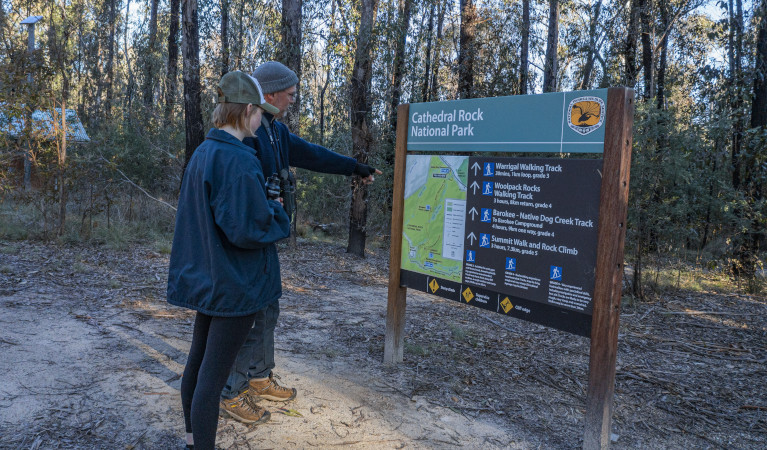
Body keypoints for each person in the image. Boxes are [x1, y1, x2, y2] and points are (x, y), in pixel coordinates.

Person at [218, 61, 382, 424]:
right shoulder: (249, 129)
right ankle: (231, 390)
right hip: (249, 235)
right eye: (290, 94)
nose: (294, 100)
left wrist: (354, 167)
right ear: (271, 93)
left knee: (268, 306)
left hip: (268, 233)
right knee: (246, 313)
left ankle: (259, 376)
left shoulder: (275, 129)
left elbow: (311, 154)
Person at [167, 70, 289, 450]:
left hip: (211, 280)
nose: (262, 120)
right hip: (235, 286)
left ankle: (191, 439)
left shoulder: (205, 152)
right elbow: (248, 229)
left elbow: (221, 216)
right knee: (213, 378)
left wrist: (261, 205)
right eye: (260, 113)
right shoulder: (237, 159)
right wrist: (277, 213)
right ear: (249, 110)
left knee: (197, 366)